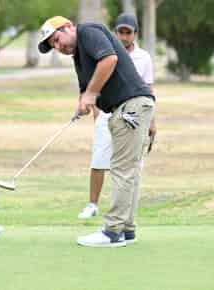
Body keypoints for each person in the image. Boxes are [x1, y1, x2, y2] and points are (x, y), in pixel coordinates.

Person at [38, 16, 155, 247]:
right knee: (129, 170)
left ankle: (112, 230)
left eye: (57, 38)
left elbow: (109, 59)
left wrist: (90, 94)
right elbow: (87, 91)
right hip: (127, 107)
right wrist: (84, 102)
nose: (58, 46)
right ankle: (126, 230)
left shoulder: (88, 31)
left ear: (69, 26)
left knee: (122, 169)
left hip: (130, 105)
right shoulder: (79, 57)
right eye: (53, 45)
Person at [77, 13, 156, 220]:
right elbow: (92, 81)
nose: (123, 36)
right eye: (120, 32)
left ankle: (119, 224)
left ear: (135, 34)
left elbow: (147, 88)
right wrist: (96, 112)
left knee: (127, 167)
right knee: (99, 160)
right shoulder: (102, 49)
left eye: (127, 32)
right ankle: (93, 204)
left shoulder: (144, 58)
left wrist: (152, 121)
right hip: (106, 113)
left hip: (133, 113)